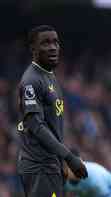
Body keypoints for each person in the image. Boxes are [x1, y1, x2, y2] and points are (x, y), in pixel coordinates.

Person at [16, 25, 88, 197]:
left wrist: (61, 159)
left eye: (55, 42)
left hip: (51, 165)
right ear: (33, 49)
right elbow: (36, 125)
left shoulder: (49, 76)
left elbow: (53, 126)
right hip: (39, 167)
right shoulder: (31, 80)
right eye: (46, 43)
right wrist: (69, 157)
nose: (53, 47)